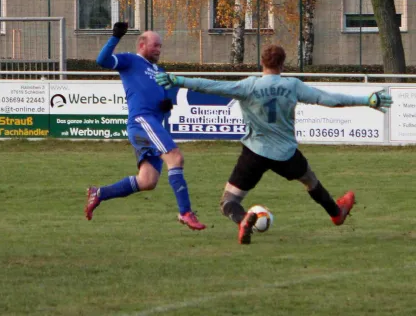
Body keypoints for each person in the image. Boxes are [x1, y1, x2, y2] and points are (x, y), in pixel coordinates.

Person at [156, 44, 392, 244]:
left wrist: (179, 79)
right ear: (283, 64)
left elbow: (212, 86)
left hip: (254, 152)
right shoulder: (292, 85)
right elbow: (328, 99)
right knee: (310, 181)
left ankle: (243, 219)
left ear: (262, 63)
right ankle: (336, 213)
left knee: (228, 202)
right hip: (286, 153)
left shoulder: (249, 86)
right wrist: (366, 100)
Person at [84, 22, 206, 231]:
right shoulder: (131, 61)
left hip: (152, 123)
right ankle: (186, 212)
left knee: (148, 181)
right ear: (142, 44)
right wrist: (115, 37)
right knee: (175, 157)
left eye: (160, 46)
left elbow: (160, 96)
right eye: (155, 46)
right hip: (142, 121)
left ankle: (100, 193)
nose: (159, 50)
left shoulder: (158, 70)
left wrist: (166, 105)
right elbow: (102, 60)